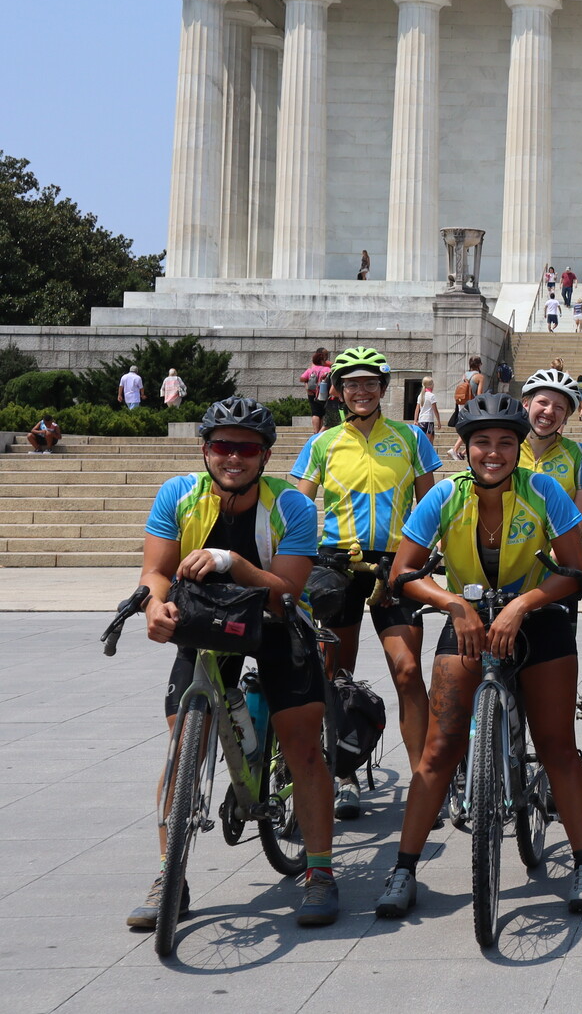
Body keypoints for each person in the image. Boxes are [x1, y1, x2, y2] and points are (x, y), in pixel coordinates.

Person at [374, 393, 582, 919]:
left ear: (520, 448)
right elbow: (402, 574)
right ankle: (403, 869)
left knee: (558, 746)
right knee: (439, 748)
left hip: (537, 620)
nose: (493, 453)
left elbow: (575, 573)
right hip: (469, 621)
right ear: (465, 448)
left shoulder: (544, 491)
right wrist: (453, 603)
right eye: (482, 443)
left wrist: (522, 604)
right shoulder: (446, 496)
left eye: (505, 443)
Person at [129, 396, 339, 930]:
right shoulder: (178, 495)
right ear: (205, 449)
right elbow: (156, 572)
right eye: (223, 445)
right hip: (203, 624)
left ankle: (318, 872)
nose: (234, 457)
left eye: (247, 448)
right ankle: (167, 877)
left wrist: (234, 563)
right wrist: (154, 605)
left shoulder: (290, 506)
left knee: (302, 749)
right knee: (182, 750)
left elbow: (289, 591)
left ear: (265, 456)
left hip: (276, 623)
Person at [289, 346, 441, 820]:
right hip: (337, 565)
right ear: (337, 390)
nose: (361, 391)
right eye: (351, 384)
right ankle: (343, 773)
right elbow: (295, 508)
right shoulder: (322, 443)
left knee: (408, 671)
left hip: (396, 567)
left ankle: (424, 777)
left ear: (383, 389)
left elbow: (433, 504)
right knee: (335, 676)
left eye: (370, 384)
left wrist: (434, 556)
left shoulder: (411, 437)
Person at [520, 370, 582, 527]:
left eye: (559, 407)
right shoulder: (505, 448)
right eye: (543, 402)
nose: (549, 411)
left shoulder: (580, 454)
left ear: (566, 417)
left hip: (556, 549)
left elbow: (576, 524)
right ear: (526, 403)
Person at [301, 348, 332, 432]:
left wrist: (307, 385)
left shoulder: (311, 369)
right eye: (325, 355)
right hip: (323, 393)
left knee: (315, 413)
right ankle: (320, 432)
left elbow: (302, 378)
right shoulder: (327, 369)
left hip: (312, 393)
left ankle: (315, 432)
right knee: (323, 413)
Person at [415, 375, 438, 440]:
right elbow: (435, 409)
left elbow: (417, 409)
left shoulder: (420, 396)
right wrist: (438, 421)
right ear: (431, 385)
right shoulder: (431, 396)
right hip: (429, 420)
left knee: (423, 440)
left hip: (421, 420)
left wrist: (415, 420)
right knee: (429, 441)